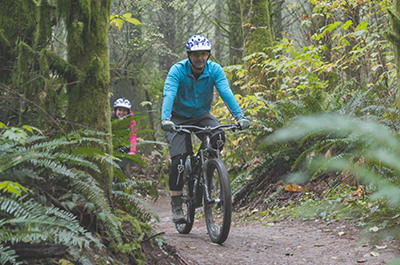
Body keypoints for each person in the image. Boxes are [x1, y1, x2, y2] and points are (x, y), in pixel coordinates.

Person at [160, 34, 251, 224]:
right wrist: (165, 118)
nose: (200, 58)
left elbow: (226, 92)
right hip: (176, 118)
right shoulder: (177, 70)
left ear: (208, 55)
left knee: (218, 136)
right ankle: (177, 204)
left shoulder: (215, 70)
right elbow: (169, 94)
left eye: (204, 53)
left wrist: (240, 117)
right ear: (189, 55)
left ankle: (205, 166)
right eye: (195, 54)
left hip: (201, 115)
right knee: (178, 159)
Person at [111, 98, 137, 172]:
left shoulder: (131, 121)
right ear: (115, 110)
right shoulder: (110, 119)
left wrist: (132, 151)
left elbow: (133, 136)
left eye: (124, 110)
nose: (121, 113)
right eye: (119, 110)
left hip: (125, 148)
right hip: (112, 147)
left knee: (120, 167)